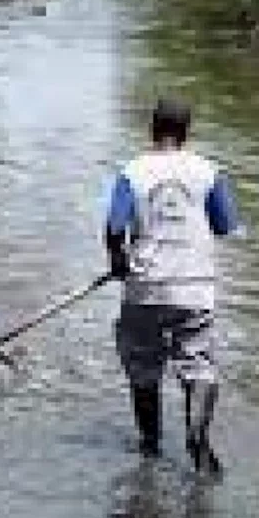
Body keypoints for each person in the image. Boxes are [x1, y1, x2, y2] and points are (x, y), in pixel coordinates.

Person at [104, 97, 240, 477]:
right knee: (198, 365)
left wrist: (117, 261)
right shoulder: (209, 171)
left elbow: (115, 228)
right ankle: (196, 436)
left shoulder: (131, 172)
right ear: (186, 132)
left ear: (152, 130)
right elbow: (226, 226)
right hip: (195, 288)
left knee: (143, 366)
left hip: (144, 287)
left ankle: (150, 446)